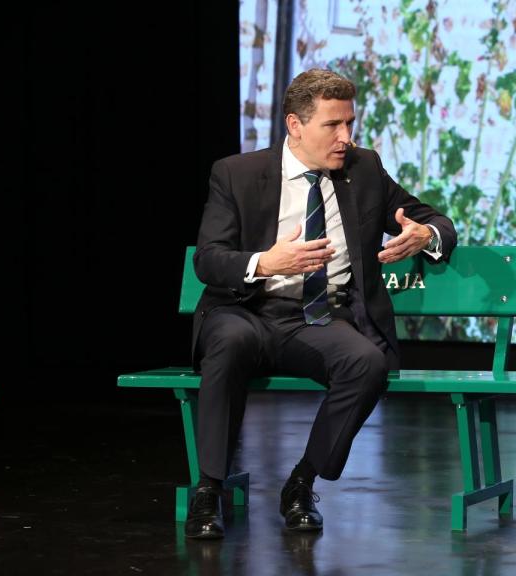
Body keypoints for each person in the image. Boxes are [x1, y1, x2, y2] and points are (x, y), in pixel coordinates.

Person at [184, 69, 456, 539]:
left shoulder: (363, 170)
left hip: (314, 319)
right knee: (228, 343)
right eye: (333, 125)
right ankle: (209, 488)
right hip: (244, 311)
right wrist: (264, 262)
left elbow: (432, 218)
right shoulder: (237, 174)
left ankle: (302, 482)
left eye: (349, 123)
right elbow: (208, 260)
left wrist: (425, 234)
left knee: (366, 362)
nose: (345, 137)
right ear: (295, 125)